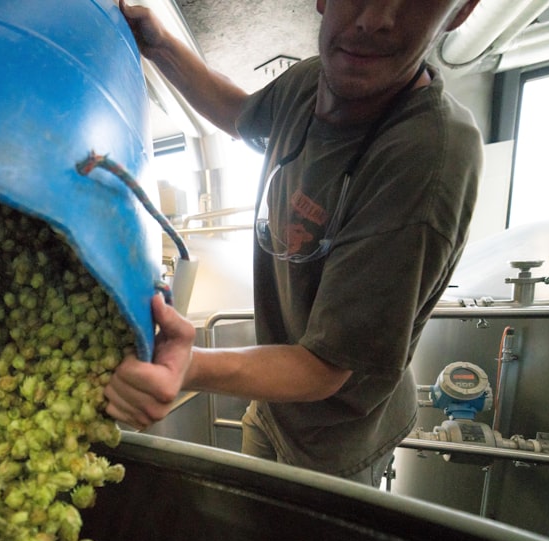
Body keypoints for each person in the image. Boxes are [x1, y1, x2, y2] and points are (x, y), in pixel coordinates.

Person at [106, 0, 484, 487]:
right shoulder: (312, 81)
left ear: (460, 11)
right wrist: (161, 48)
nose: (376, 19)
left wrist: (189, 366)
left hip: (337, 436)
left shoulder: (427, 158)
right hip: (274, 400)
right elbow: (240, 112)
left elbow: (323, 370)